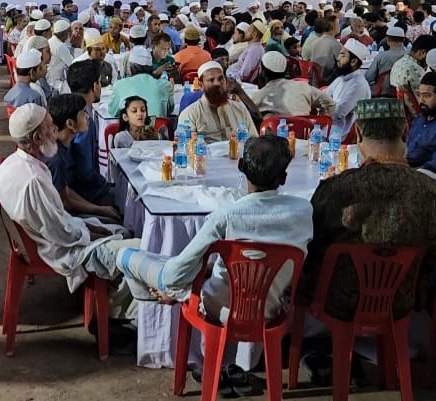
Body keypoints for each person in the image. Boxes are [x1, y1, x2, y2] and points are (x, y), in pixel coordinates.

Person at [119, 135, 312, 374]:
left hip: (219, 306)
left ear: (240, 166)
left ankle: (168, 297)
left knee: (127, 256)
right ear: (283, 178)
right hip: (271, 307)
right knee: (210, 268)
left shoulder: (227, 215)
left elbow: (174, 273)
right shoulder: (304, 211)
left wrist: (174, 287)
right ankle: (178, 294)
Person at [299, 98, 436, 320]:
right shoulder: (434, 192)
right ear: (405, 130)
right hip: (402, 303)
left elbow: (312, 251)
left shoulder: (335, 190)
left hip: (338, 302)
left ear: (358, 133)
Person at [0, 104, 138, 330]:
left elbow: (57, 218)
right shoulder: (33, 180)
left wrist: (91, 225)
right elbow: (60, 233)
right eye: (50, 127)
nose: (55, 131)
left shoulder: (12, 164)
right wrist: (91, 232)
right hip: (59, 249)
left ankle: (110, 304)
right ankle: (115, 320)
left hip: (52, 236)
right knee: (136, 250)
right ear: (38, 137)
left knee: (120, 231)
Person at [43, 94, 121, 220]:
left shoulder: (61, 147)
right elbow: (65, 203)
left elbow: (65, 191)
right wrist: (100, 210)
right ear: (70, 124)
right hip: (68, 219)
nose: (87, 117)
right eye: (83, 113)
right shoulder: (57, 157)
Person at [66, 60, 113, 208]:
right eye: (99, 82)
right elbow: (86, 172)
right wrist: (104, 185)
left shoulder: (68, 108)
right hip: (84, 194)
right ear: (94, 86)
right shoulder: (84, 121)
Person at [178, 61, 260, 143]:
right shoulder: (190, 114)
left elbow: (254, 140)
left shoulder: (240, 108)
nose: (217, 83)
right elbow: (185, 147)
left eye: (221, 79)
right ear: (201, 85)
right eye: (211, 80)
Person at [251, 51, 337, 117]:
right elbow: (330, 104)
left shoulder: (257, 97)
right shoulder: (303, 86)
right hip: (306, 135)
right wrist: (321, 125)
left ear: (262, 72)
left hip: (274, 138)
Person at [324, 39, 372, 140]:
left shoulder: (359, 85)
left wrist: (324, 108)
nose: (337, 58)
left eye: (342, 55)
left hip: (345, 133)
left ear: (353, 61)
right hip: (331, 126)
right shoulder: (341, 78)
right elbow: (323, 97)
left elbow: (338, 113)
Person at [107, 47, 172, 118]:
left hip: (131, 128)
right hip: (157, 128)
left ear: (131, 68)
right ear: (151, 68)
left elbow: (113, 111)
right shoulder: (165, 86)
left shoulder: (119, 85)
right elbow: (169, 109)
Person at [390, 34, 436, 116]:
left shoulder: (398, 63)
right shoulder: (416, 70)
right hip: (415, 116)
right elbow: (424, 100)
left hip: (399, 113)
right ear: (423, 53)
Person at [364, 26, 407, 96]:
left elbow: (369, 77)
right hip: (404, 96)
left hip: (384, 95)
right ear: (404, 39)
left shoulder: (381, 56)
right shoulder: (409, 56)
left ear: (387, 40)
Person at [309, 15, 343, 82]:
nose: (340, 26)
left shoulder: (316, 41)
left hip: (315, 80)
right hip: (328, 80)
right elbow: (343, 64)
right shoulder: (336, 45)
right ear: (333, 27)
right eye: (338, 24)